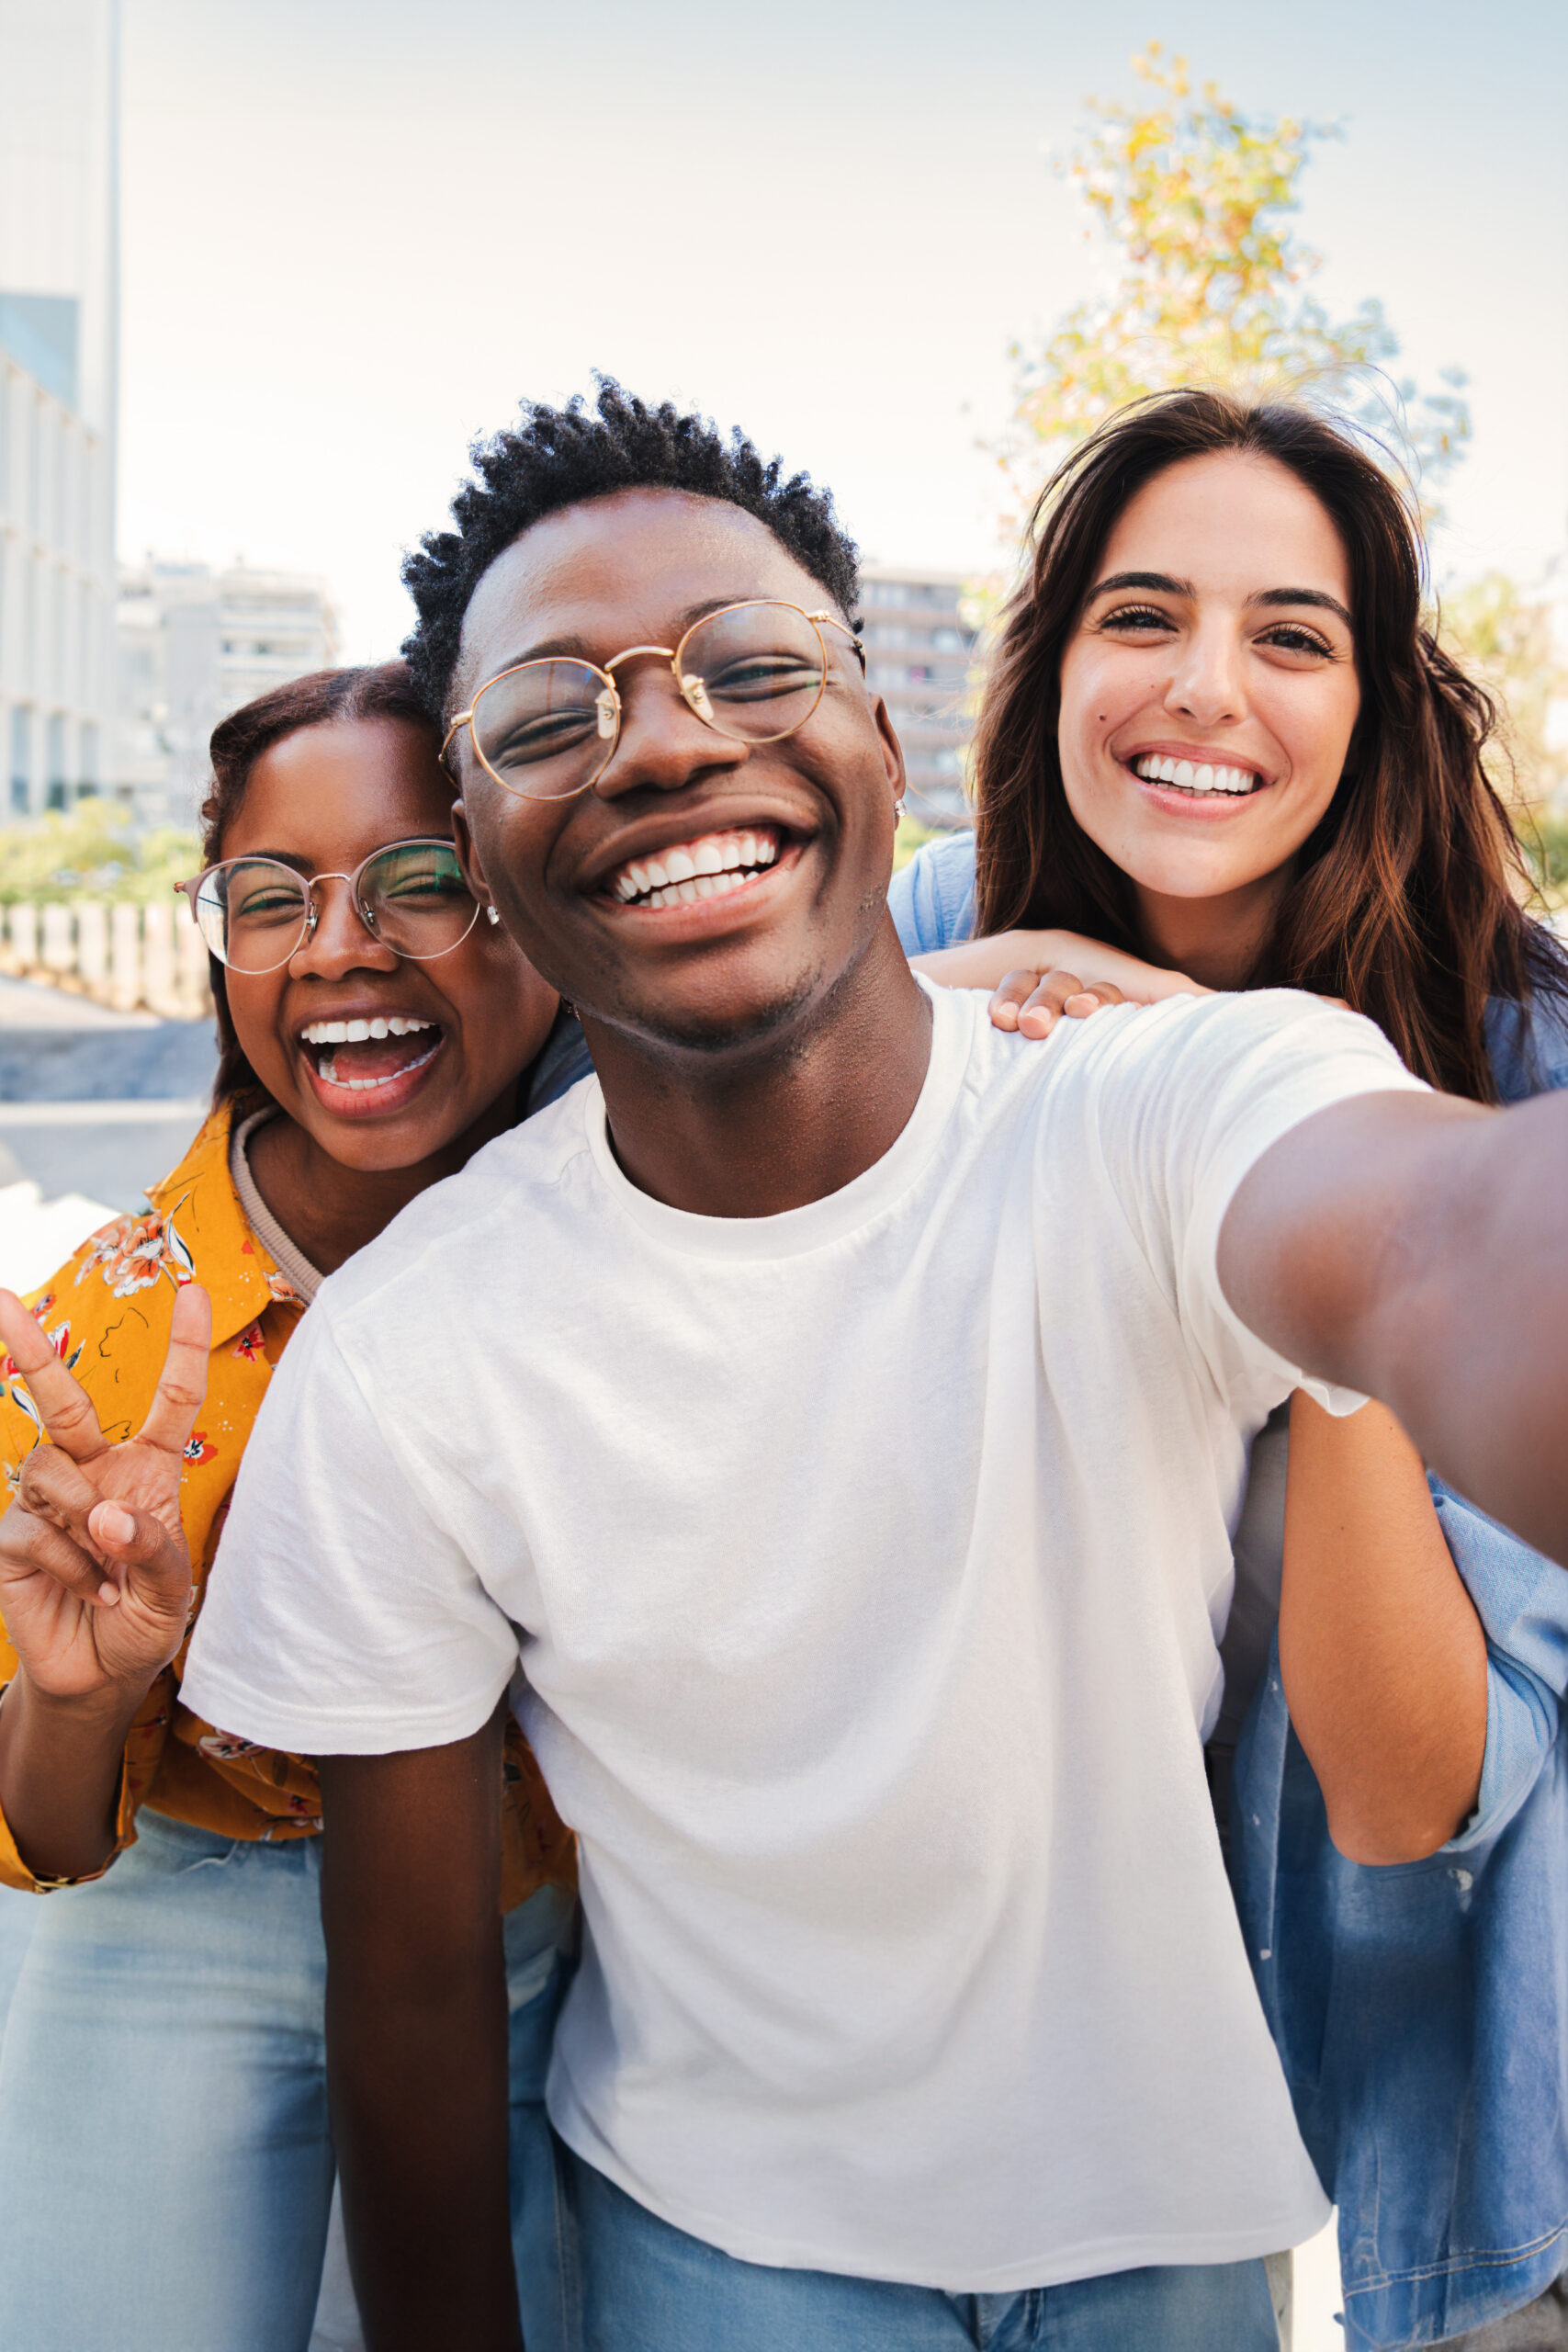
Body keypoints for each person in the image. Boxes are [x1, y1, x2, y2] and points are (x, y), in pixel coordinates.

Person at [134, 385, 1568, 2351]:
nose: (663, 732)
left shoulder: (1178, 1084)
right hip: (716, 2249)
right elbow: (408, 2016)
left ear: (881, 741)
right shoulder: (417, 1347)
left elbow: (1449, 1232)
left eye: (748, 661)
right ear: (473, 838)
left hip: (1178, 2224)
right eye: (554, 712)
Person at [888, 388, 1568, 2349]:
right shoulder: (936, 925)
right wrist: (970, 992)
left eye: (1289, 634)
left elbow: (1414, 1795)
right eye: (1138, 614)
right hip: (1033, 2072)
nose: (1204, 688)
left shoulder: (1516, 1076)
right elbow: (666, 1107)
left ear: (1368, 701)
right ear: (1051, 660)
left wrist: (1247, 1119)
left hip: (1448, 2068)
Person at [0, 663, 585, 2352]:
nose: (343, 945)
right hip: (181, 1915)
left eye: (422, 879)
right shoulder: (100, 1342)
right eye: (272, 899)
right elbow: (39, 1834)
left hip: (533, 1933)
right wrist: (83, 1687)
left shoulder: (649, 1245)